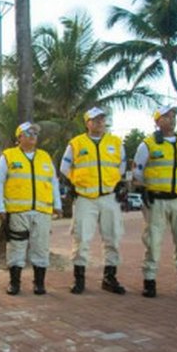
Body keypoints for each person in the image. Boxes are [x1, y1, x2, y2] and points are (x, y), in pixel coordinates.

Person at [133, 105, 177, 300]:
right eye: (166, 116)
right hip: (156, 201)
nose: (171, 119)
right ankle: (149, 281)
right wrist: (146, 189)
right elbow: (137, 172)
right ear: (156, 121)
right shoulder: (147, 145)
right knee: (153, 241)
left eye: (173, 116)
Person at [60, 107, 127, 295]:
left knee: (113, 237)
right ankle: (79, 279)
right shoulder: (76, 143)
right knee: (81, 238)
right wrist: (76, 183)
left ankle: (109, 278)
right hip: (85, 199)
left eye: (102, 119)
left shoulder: (115, 142)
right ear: (87, 123)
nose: (99, 122)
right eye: (94, 119)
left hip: (108, 197)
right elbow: (65, 168)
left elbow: (121, 166)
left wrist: (114, 182)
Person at [0, 122, 62, 295]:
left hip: (42, 212)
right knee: (16, 247)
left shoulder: (45, 157)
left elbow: (53, 182)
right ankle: (14, 283)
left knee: (41, 246)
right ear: (19, 137)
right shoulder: (8, 156)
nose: (33, 136)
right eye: (28, 133)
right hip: (18, 211)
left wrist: (57, 204)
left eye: (35, 133)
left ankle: (39, 283)